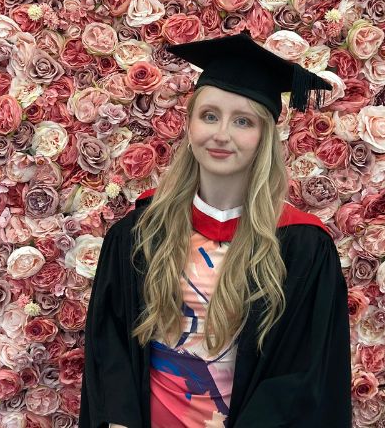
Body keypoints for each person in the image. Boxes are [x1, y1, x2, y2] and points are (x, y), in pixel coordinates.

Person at [79, 31, 351, 428]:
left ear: (263, 138)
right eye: (209, 116)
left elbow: (303, 372)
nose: (222, 134)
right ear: (189, 128)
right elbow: (112, 344)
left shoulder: (299, 246)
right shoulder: (140, 232)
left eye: (242, 121)